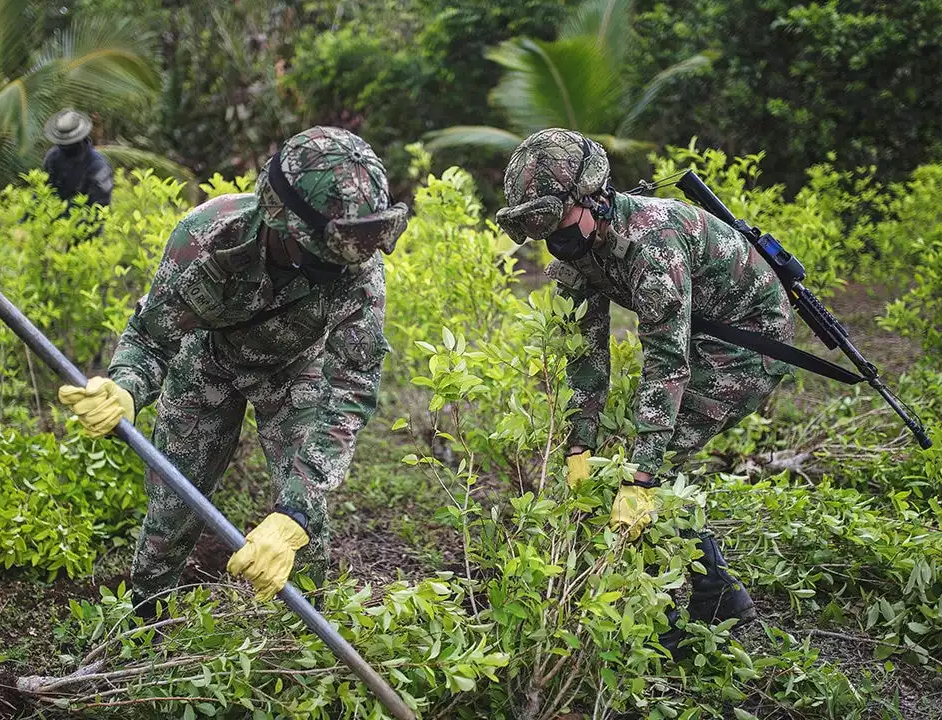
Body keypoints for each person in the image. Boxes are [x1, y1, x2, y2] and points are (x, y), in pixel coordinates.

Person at [57, 127, 409, 615]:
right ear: (280, 221)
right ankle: (146, 620)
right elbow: (151, 337)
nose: (337, 267)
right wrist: (126, 386)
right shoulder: (205, 237)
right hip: (206, 363)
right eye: (321, 254)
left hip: (294, 371)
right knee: (172, 508)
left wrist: (295, 510)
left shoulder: (358, 264)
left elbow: (350, 387)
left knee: (305, 529)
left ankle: (302, 641)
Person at [495, 128, 795, 655]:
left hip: (748, 339)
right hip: (701, 332)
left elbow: (667, 362)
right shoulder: (577, 251)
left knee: (657, 461)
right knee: (622, 456)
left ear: (594, 199)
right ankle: (712, 590)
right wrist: (578, 445)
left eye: (558, 222)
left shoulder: (652, 243)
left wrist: (642, 474)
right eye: (540, 228)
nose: (553, 238)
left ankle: (712, 597)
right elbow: (586, 355)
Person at [42, 108, 114, 211]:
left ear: (81, 138)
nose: (65, 146)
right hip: (53, 218)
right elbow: (43, 191)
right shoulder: (53, 157)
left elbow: (99, 204)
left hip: (85, 221)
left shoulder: (99, 166)